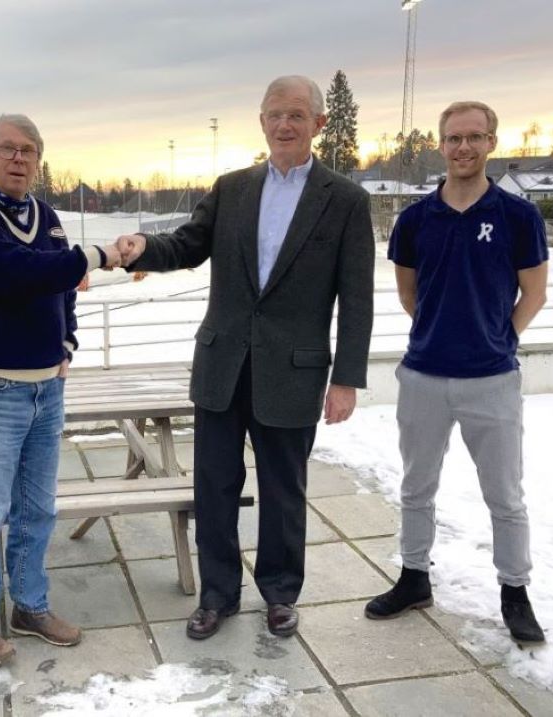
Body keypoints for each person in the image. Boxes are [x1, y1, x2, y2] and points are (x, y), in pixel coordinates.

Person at [115, 76, 375, 640]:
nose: (285, 125)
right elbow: (186, 244)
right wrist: (143, 248)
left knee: (285, 491)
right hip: (222, 366)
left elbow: (357, 298)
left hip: (295, 371)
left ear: (319, 125)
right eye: (275, 114)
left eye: (297, 115)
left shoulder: (346, 201)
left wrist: (346, 379)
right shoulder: (231, 188)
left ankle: (280, 594)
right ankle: (217, 595)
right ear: (261, 122)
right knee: (214, 484)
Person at [365, 101, 548, 645]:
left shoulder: (519, 217)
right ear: (440, 145)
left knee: (505, 496)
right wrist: (440, 334)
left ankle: (515, 591)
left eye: (474, 137)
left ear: (491, 142)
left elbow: (533, 294)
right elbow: (408, 292)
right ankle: (414, 577)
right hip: (423, 376)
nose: (463, 147)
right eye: (453, 138)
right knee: (417, 486)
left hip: (492, 380)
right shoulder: (416, 219)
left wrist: (498, 340)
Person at [0, 113, 121, 668]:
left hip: (47, 389)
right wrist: (96, 256)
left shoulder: (46, 215)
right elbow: (18, 271)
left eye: (28, 150)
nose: (18, 158)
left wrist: (65, 342)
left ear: (38, 160)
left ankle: (30, 605)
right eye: (6, 149)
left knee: (37, 509)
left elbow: (60, 286)